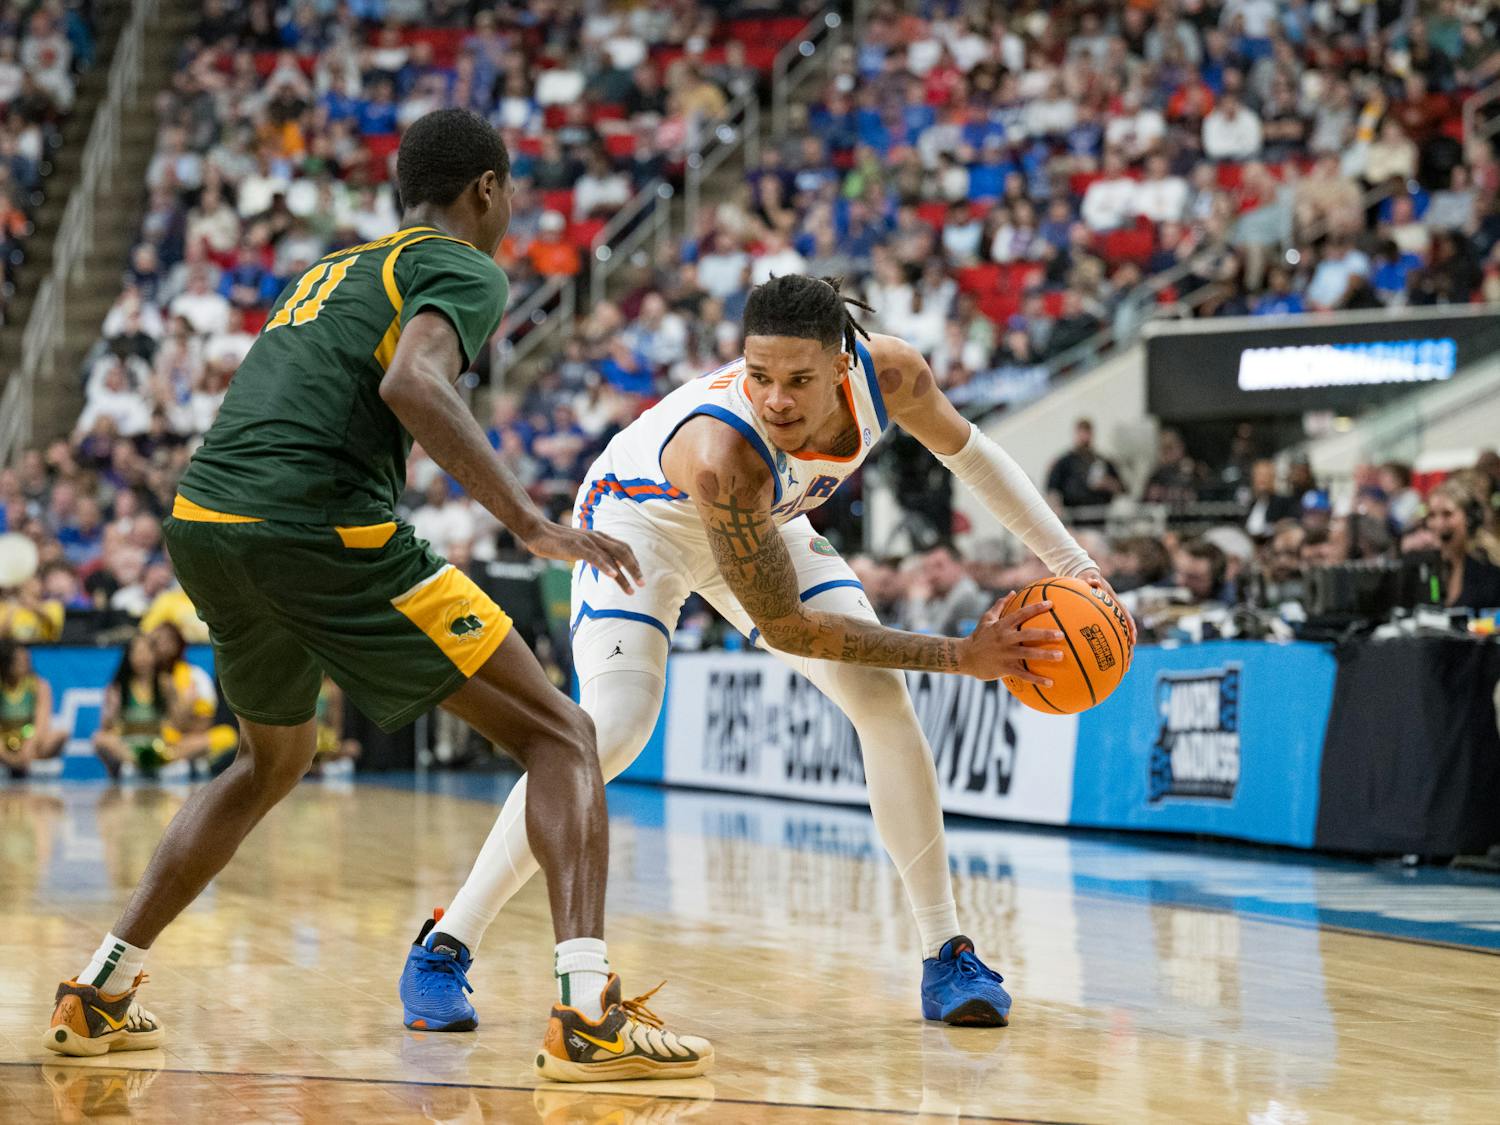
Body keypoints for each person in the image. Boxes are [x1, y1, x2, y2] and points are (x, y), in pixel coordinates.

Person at [43, 109, 710, 1084]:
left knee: (273, 760)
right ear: (487, 188)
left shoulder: (335, 270)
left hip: (206, 524)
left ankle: (99, 989)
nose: (512, 207)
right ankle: (585, 1012)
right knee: (562, 735)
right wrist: (530, 522)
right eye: (510, 190)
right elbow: (412, 382)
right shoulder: (466, 266)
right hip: (318, 527)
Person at [404, 274, 1133, 1035]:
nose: (776, 399)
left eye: (797, 380)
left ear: (844, 366)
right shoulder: (725, 451)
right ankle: (444, 944)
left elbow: (974, 458)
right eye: (759, 377)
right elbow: (786, 628)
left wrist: (1079, 569)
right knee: (610, 729)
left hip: (761, 523)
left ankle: (945, 952)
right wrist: (961, 654)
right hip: (641, 524)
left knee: (880, 699)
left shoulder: (894, 376)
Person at [92, 633, 173, 781]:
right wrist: (111, 712)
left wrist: (185, 705)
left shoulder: (165, 684)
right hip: (128, 746)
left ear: (154, 654)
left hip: (158, 744)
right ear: (128, 657)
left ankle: (152, 762)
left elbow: (176, 723)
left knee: (192, 741)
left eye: (145, 652)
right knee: (99, 739)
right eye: (137, 653)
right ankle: (139, 764)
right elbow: (105, 727)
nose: (142, 658)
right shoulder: (117, 688)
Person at [1425, 480, 1500, 612]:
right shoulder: (1435, 566)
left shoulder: (1489, 565)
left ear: (1470, 519)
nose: (1438, 524)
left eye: (1447, 514)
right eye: (1432, 515)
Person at [0, 639, 66, 777]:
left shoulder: (39, 685)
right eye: (18, 661)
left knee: (60, 736)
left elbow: (41, 724)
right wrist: (4, 753)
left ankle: (24, 761)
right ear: (6, 663)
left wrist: (30, 745)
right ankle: (15, 763)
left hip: (28, 741)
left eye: (26, 660)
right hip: (3, 743)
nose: (23, 664)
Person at [1045, 418, 1125, 513]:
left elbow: (1122, 488)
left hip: (1100, 517)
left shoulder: (1103, 461)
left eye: (1087, 433)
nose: (1084, 438)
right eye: (1082, 433)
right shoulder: (1064, 462)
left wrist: (1107, 483)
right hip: (1073, 519)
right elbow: (1052, 490)